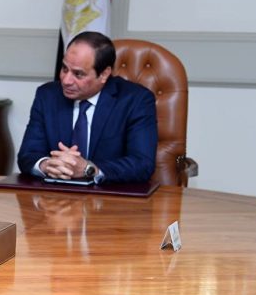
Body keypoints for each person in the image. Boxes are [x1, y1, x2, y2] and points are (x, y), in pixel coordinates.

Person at [17, 31, 158, 183]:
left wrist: (89, 169)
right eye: (64, 69)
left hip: (108, 194)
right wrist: (47, 165)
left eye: (78, 74)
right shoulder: (47, 95)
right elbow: (27, 155)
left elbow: (142, 164)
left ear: (104, 74)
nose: (66, 80)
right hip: (54, 193)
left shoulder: (136, 100)